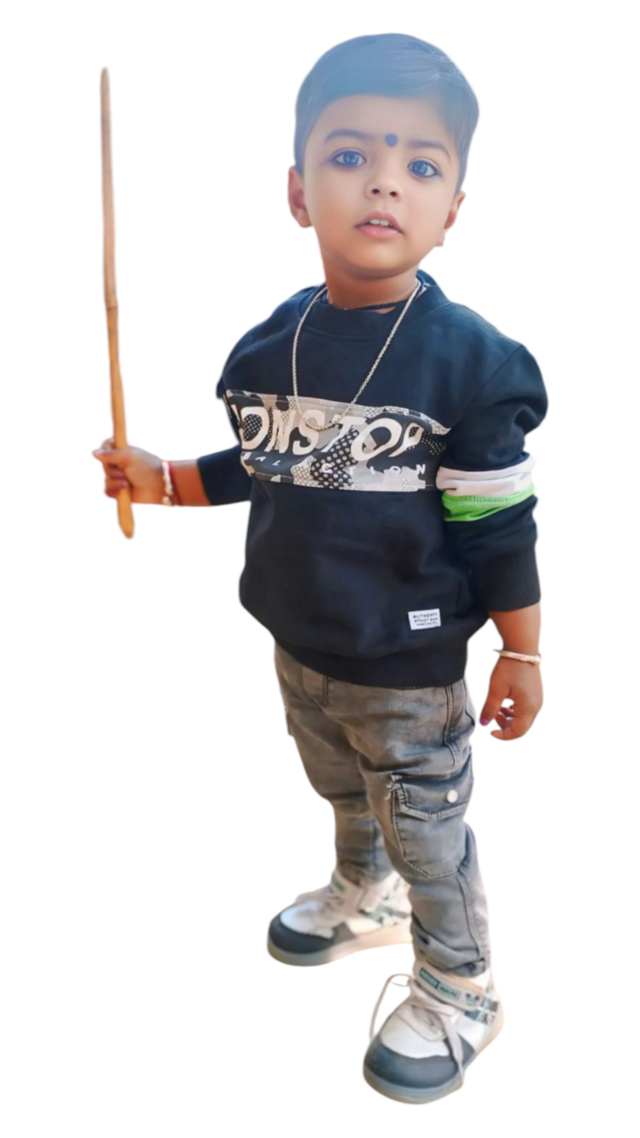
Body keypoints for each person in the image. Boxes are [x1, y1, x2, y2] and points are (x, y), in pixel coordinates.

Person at [92, 33, 548, 1105]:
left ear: (451, 209)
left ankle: (462, 983)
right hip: (299, 643)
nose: (384, 180)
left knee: (425, 829)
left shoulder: (471, 365)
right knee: (342, 788)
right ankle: (364, 890)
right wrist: (164, 480)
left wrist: (522, 651)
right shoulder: (271, 345)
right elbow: (262, 461)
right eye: (350, 155)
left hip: (408, 665)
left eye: (419, 163)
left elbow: (498, 525)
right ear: (299, 193)